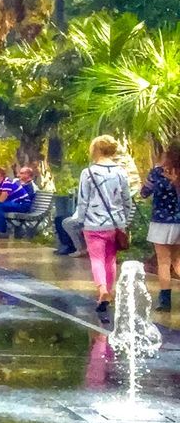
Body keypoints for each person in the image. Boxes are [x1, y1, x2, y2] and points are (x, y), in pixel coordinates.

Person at [76, 135, 135, 323]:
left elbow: (83, 200)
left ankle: (102, 290)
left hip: (93, 223)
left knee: (97, 259)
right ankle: (109, 292)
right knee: (110, 259)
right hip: (115, 224)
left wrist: (79, 220)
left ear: (96, 150)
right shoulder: (120, 172)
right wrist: (124, 221)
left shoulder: (88, 172)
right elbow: (127, 200)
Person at [142, 145, 180, 310]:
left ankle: (165, 301)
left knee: (164, 262)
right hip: (179, 221)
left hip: (160, 221)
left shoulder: (157, 173)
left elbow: (144, 192)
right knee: (177, 260)